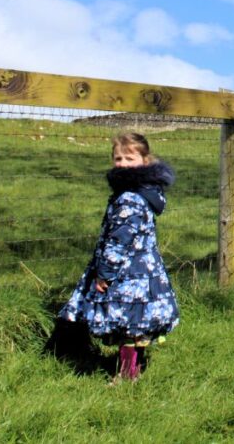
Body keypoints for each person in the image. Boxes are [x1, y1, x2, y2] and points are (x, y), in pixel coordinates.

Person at [58, 132, 180, 383]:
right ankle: (133, 368)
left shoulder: (129, 198)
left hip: (127, 274)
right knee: (137, 323)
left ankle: (126, 375)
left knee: (127, 325)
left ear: (145, 161)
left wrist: (105, 273)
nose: (123, 164)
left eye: (130, 158)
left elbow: (119, 240)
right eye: (118, 158)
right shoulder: (147, 191)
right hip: (144, 270)